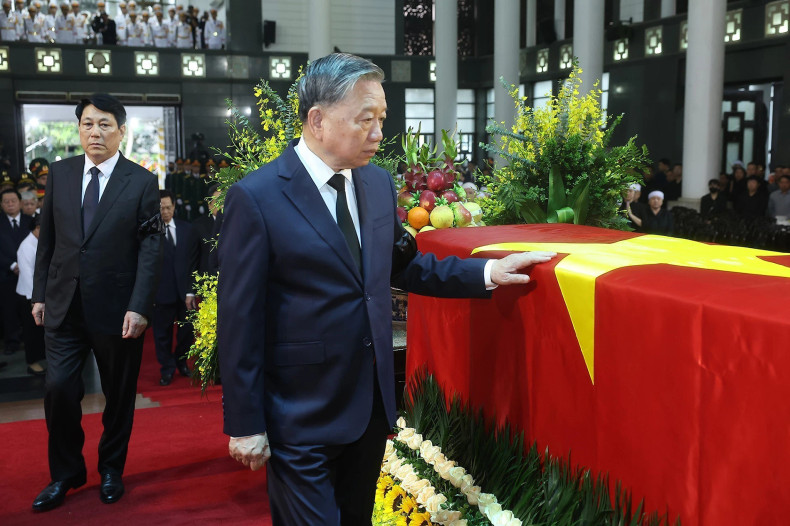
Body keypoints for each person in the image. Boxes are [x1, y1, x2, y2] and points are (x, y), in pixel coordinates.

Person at [217, 53, 555, 525]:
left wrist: (487, 274)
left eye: (381, 119)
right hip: (299, 412)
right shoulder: (257, 198)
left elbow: (406, 264)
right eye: (365, 120)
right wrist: (245, 422)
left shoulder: (375, 184)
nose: (378, 133)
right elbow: (239, 318)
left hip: (368, 407)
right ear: (317, 120)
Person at [31, 93, 162, 512]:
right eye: (88, 123)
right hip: (63, 304)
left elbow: (150, 247)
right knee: (58, 389)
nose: (95, 132)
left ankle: (111, 469)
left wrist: (140, 305)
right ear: (79, 129)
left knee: (118, 395)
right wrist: (38, 295)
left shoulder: (141, 181)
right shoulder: (61, 173)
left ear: (121, 131)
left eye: (105, 124)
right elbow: (47, 240)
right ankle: (66, 473)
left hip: (118, 309)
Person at [152, 189, 198, 386]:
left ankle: (181, 361)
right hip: (161, 293)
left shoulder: (187, 229)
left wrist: (191, 290)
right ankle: (167, 369)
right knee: (162, 334)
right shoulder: (150, 231)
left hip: (184, 292)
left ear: (174, 207)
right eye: (161, 208)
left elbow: (193, 261)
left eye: (168, 207)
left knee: (187, 332)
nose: (165, 211)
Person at [0, 187, 31, 356]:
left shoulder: (30, 221)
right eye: (6, 202)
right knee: (9, 309)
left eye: (13, 201)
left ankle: (30, 341)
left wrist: (24, 265)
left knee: (27, 310)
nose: (10, 204)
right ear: (2, 204)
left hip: (28, 274)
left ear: (19, 202)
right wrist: (12, 265)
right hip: (6, 274)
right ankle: (11, 342)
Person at [16, 215, 46, 375]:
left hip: (39, 294)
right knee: (30, 332)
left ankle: (41, 357)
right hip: (29, 296)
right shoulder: (26, 246)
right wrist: (35, 300)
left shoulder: (39, 242)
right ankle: (32, 362)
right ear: (37, 228)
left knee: (39, 331)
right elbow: (28, 276)